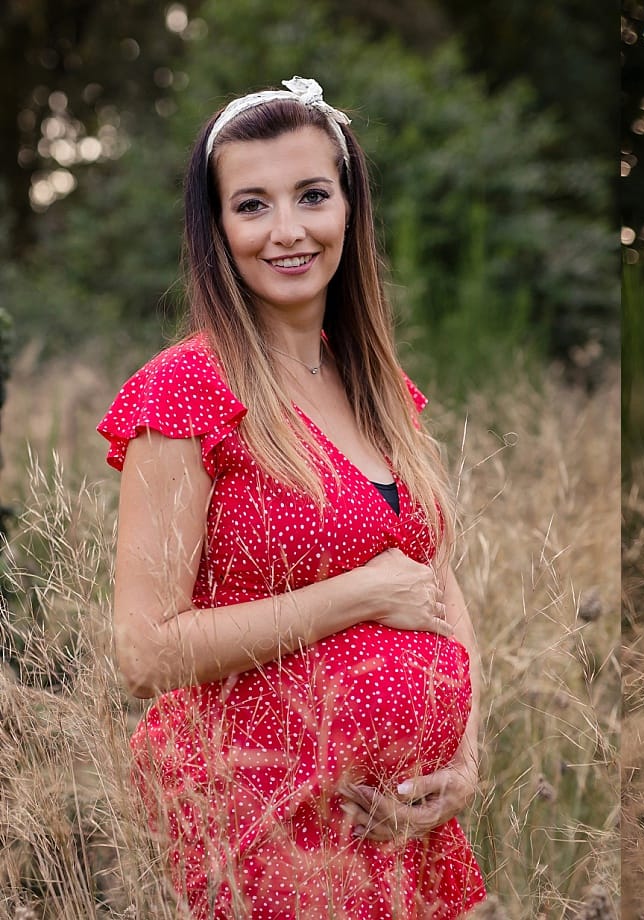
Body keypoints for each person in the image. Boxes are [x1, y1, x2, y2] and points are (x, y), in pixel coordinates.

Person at [97, 77, 486, 918]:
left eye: (312, 194)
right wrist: (357, 595)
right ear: (216, 230)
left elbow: (434, 583)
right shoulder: (185, 393)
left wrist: (465, 758)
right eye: (251, 205)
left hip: (402, 825)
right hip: (263, 820)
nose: (288, 231)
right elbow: (145, 653)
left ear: (349, 207)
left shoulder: (378, 384)